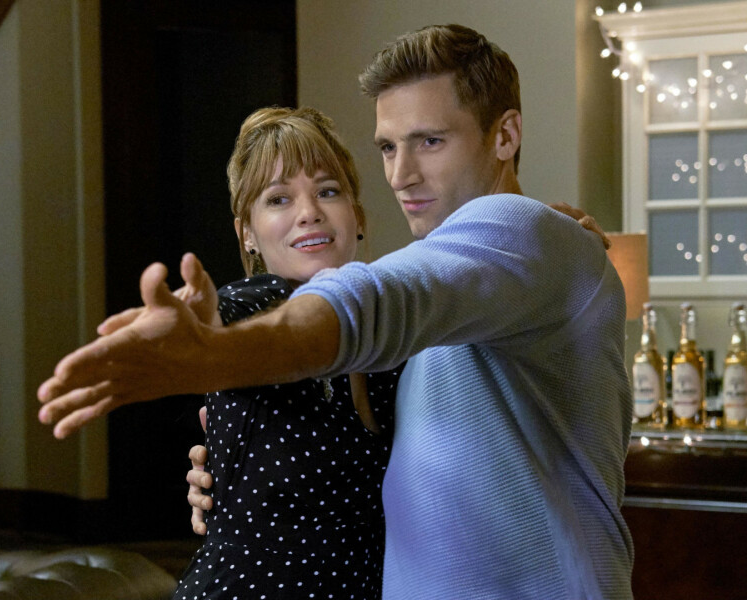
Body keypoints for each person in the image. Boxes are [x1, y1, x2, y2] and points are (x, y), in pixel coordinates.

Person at [39, 24, 633, 600]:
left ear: (505, 136)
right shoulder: (464, 274)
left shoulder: (516, 232)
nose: (400, 176)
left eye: (430, 141)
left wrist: (210, 355)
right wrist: (225, 459)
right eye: (387, 147)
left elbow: (368, 303)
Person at [106, 107, 401, 599]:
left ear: (358, 217)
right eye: (279, 199)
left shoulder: (393, 325)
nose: (309, 212)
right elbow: (235, 315)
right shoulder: (260, 302)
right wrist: (202, 323)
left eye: (328, 191)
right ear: (247, 232)